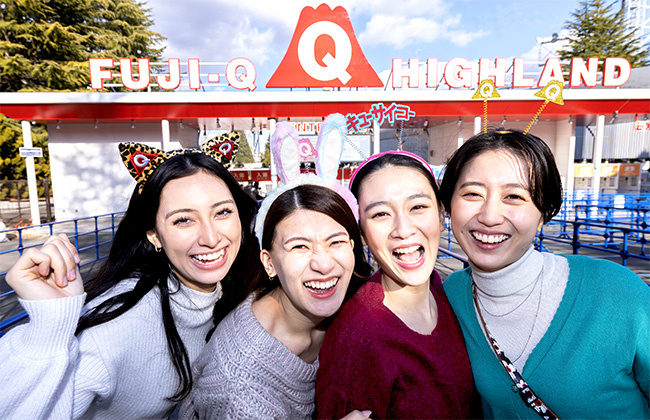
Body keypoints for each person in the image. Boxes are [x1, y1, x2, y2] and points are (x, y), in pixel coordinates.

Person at [0, 137, 259, 420]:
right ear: (154, 235)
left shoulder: (240, 287)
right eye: (183, 219)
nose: (210, 238)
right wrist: (48, 330)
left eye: (222, 212)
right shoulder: (118, 324)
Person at [439, 129, 650, 418]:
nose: (489, 216)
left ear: (544, 212)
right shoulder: (451, 296)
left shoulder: (618, 292)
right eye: (472, 194)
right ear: (449, 205)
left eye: (514, 196)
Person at [180, 183, 373, 420]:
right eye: (300, 246)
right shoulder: (240, 392)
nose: (324, 265)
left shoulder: (358, 304)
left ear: (352, 248)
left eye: (336, 242)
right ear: (269, 263)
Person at [315, 151, 480, 419]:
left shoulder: (447, 292)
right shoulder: (356, 338)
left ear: (441, 215)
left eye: (418, 207)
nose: (403, 230)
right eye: (381, 214)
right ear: (362, 233)